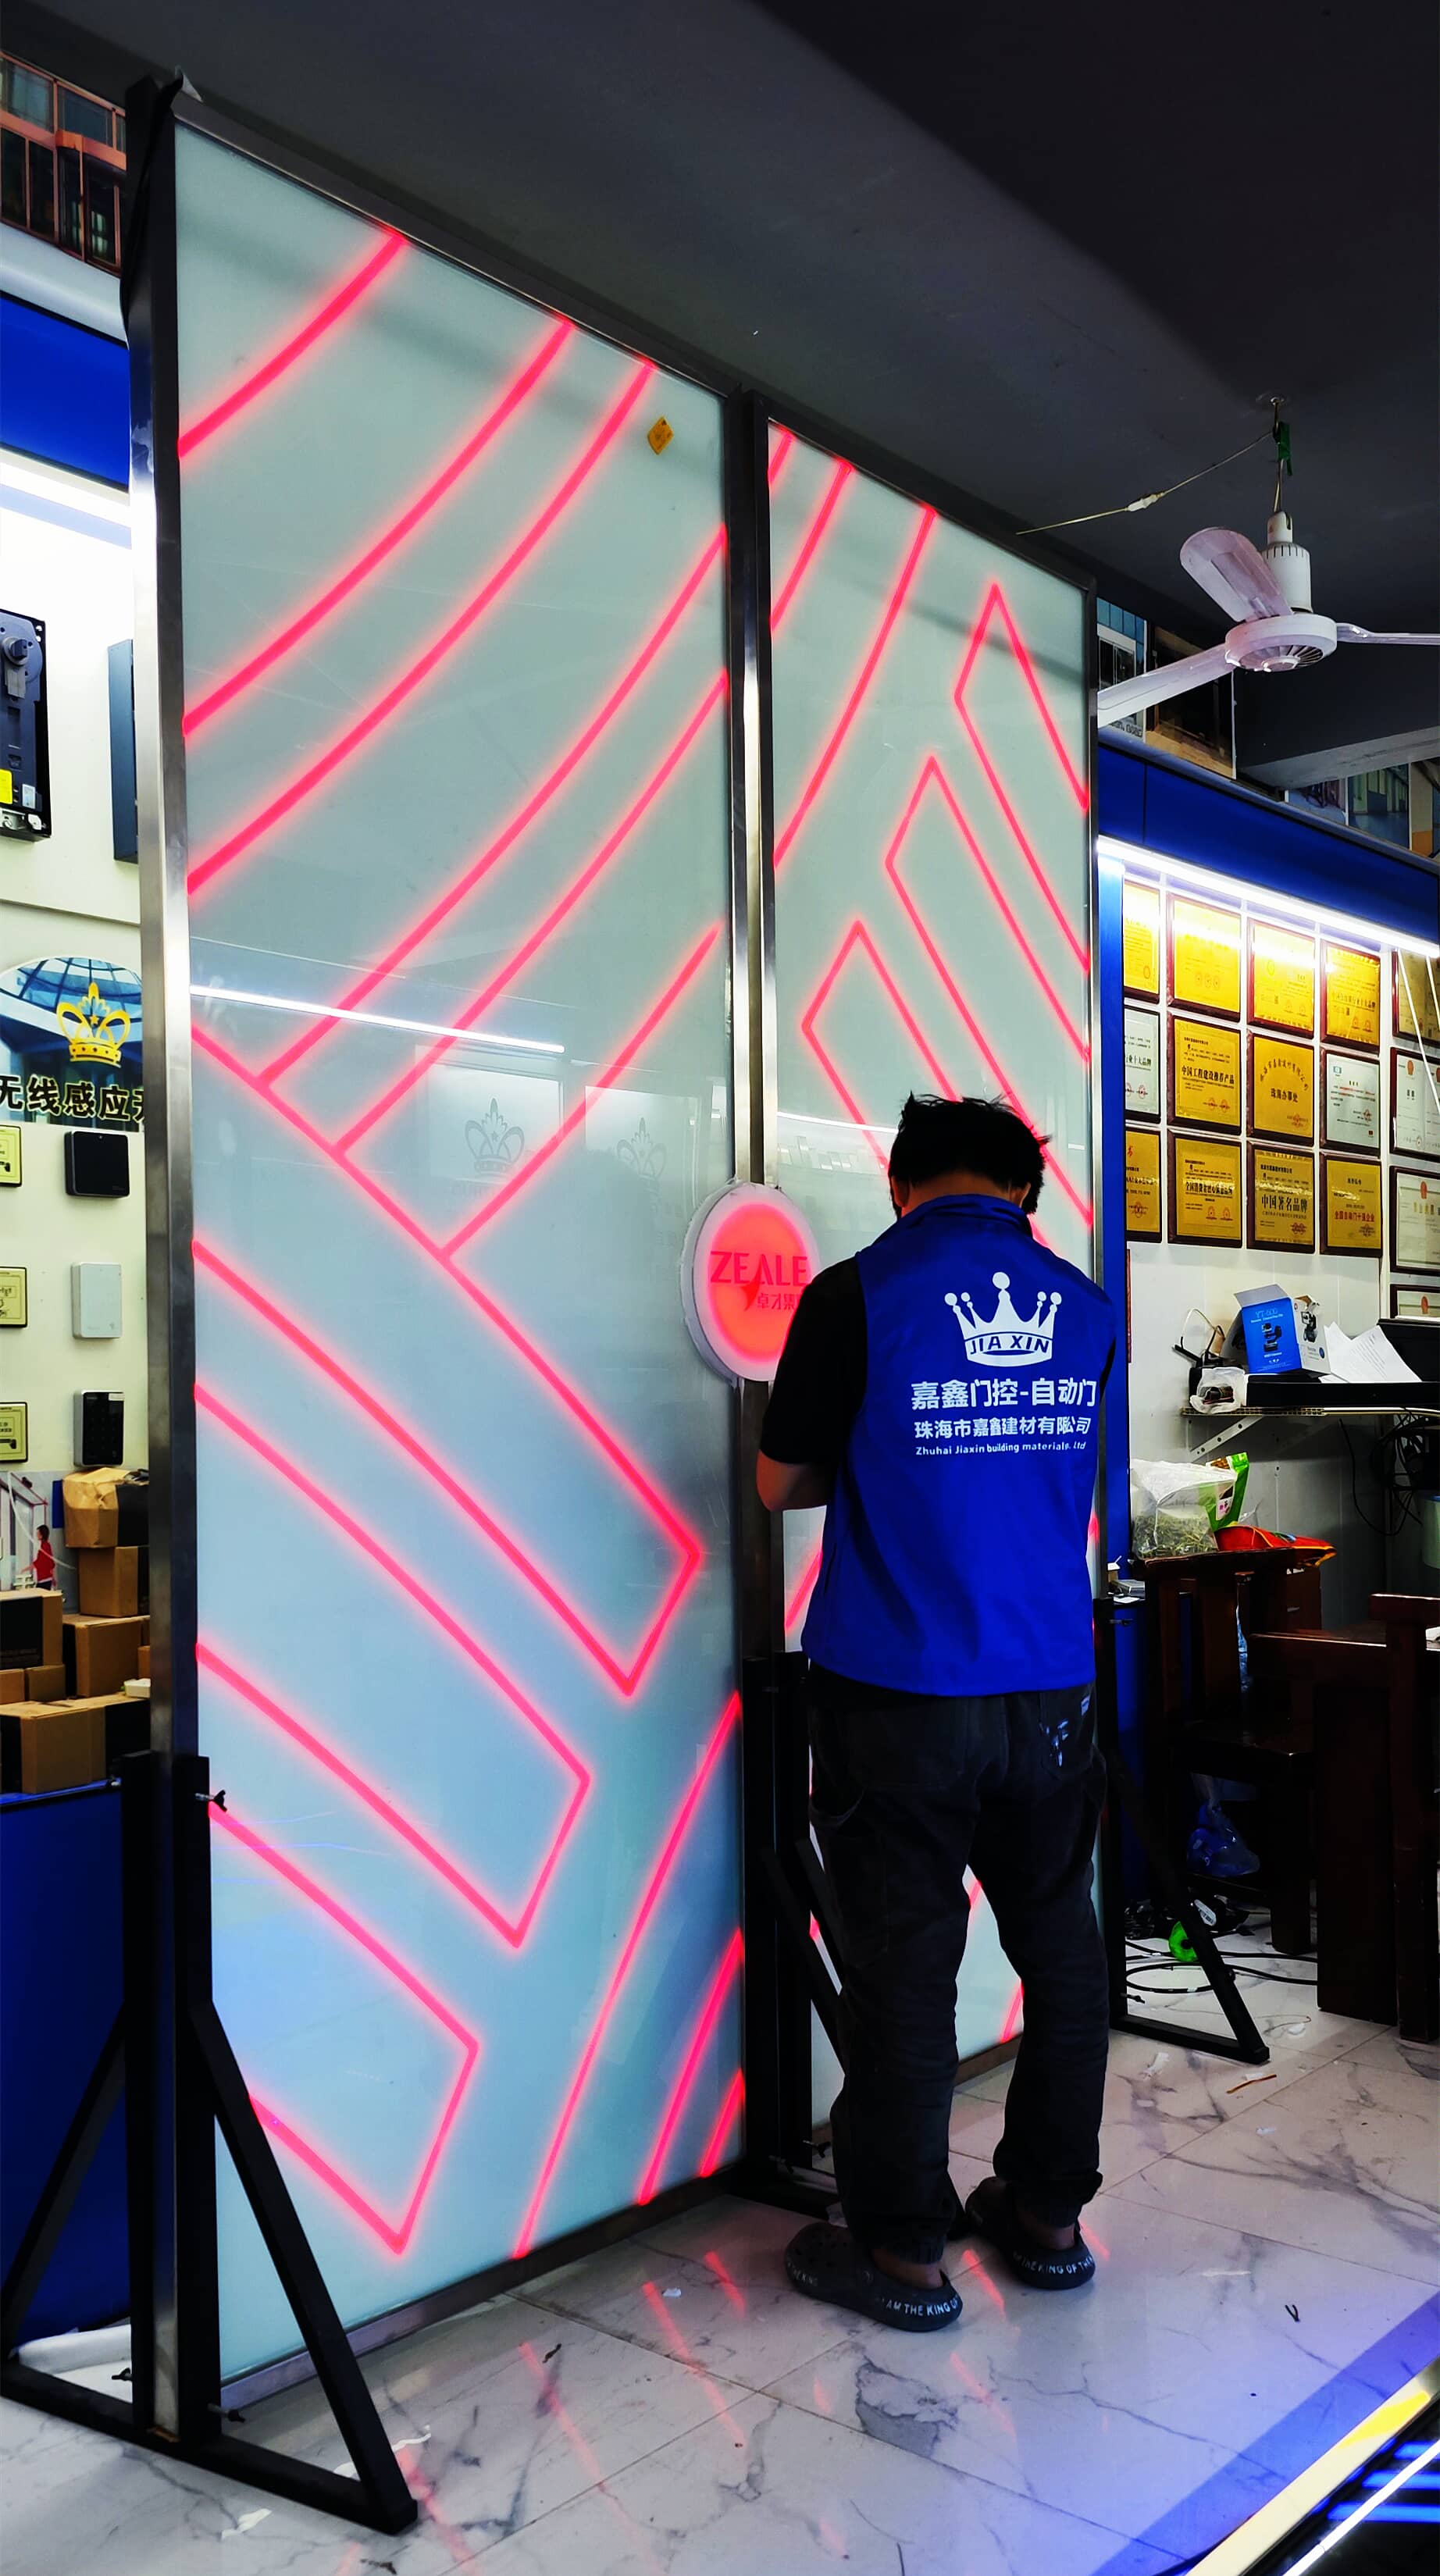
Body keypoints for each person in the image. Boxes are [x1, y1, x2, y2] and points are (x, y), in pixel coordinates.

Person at [757, 1093, 1117, 2332]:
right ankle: (1049, 2218)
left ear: (901, 1184)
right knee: (1061, 1949)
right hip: (1051, 1686)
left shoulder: (853, 1297)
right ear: (1026, 1194)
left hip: (901, 1690)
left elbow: (778, 1481)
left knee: (906, 1966)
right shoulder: (1089, 1307)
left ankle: (903, 2250)